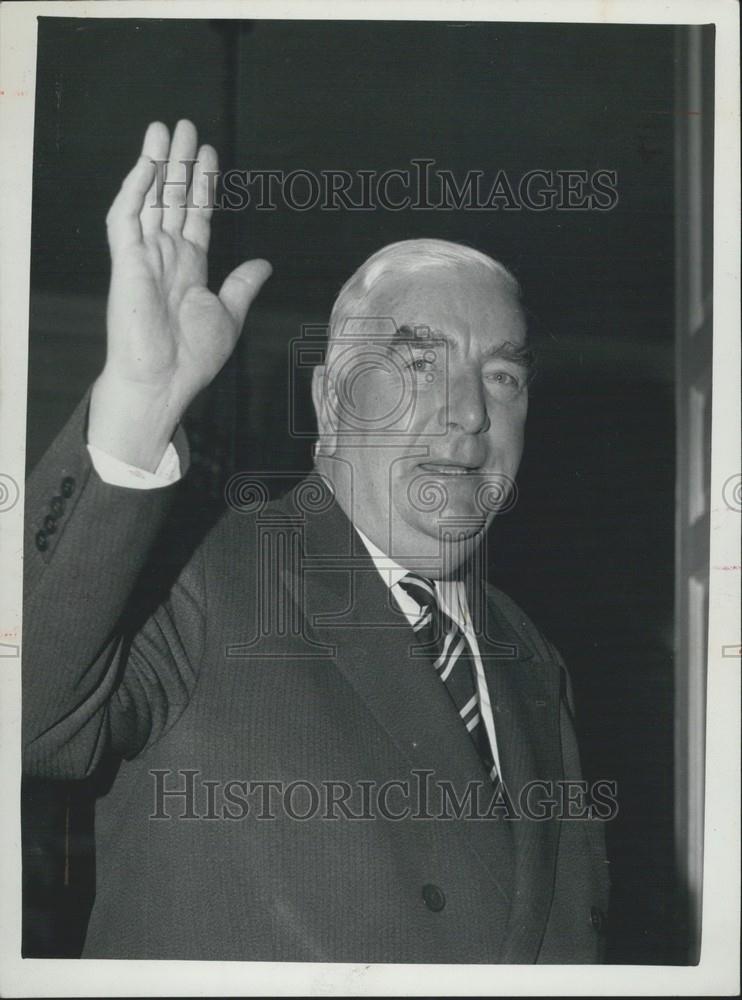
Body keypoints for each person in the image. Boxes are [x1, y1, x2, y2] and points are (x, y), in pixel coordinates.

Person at [23, 120, 610, 962]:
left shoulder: (530, 656)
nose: (471, 412)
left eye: (503, 376)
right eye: (419, 364)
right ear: (332, 402)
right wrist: (139, 405)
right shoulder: (198, 576)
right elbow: (28, 713)